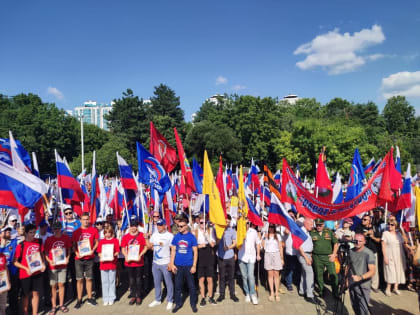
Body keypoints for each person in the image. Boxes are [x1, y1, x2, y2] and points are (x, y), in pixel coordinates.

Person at [13, 224, 46, 315]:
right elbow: (15, 262)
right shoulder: (21, 245)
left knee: (36, 294)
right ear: (26, 233)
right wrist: (26, 268)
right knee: (25, 295)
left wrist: (43, 263)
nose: (33, 234)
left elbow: (42, 255)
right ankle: (25, 313)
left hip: (37, 272)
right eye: (31, 232)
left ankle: (35, 313)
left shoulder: (39, 241)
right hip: (25, 274)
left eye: (34, 232)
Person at [170, 213, 198, 313]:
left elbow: (195, 252)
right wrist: (171, 264)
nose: (179, 228)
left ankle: (193, 304)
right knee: (177, 286)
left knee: (191, 286)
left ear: (186, 226)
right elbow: (173, 251)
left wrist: (194, 265)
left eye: (181, 226)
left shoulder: (192, 237)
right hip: (178, 266)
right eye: (178, 226)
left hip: (189, 265)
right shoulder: (176, 237)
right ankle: (178, 303)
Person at [44, 222, 72, 314]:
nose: (56, 230)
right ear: (52, 229)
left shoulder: (66, 238)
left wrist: (67, 258)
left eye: (58, 228)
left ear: (61, 228)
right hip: (53, 266)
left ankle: (61, 304)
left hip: (63, 265)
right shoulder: (49, 239)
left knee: (61, 285)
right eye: (55, 228)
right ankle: (53, 306)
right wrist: (49, 260)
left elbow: (69, 250)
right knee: (53, 286)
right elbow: (46, 253)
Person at [72, 212, 99, 308]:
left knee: (89, 278)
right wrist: (76, 253)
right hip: (79, 259)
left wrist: (93, 250)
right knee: (79, 279)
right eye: (84, 219)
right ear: (80, 220)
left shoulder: (93, 230)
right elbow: (73, 246)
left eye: (87, 219)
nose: (86, 221)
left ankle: (90, 297)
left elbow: (97, 242)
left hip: (89, 258)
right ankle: (79, 299)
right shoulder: (76, 232)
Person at [147, 219, 174, 310]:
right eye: (157, 225)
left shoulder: (170, 236)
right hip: (155, 263)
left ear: (165, 226)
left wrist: (171, 262)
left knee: (168, 283)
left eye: (160, 225)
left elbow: (173, 250)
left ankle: (170, 300)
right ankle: (157, 299)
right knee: (157, 282)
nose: (158, 226)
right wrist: (146, 238)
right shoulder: (154, 235)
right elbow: (150, 247)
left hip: (165, 263)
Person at [121, 216, 147, 306]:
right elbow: (123, 248)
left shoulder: (141, 235)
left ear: (137, 226)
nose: (133, 228)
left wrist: (140, 255)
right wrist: (126, 256)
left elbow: (145, 247)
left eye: (135, 226)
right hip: (129, 262)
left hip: (139, 261)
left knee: (139, 279)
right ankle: (133, 295)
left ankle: (139, 295)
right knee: (131, 280)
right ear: (129, 227)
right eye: (131, 226)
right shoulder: (125, 237)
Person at [310, 218, 339, 298]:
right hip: (317, 257)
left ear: (323, 224)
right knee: (319, 275)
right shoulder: (312, 233)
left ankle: (335, 292)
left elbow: (336, 243)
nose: (318, 227)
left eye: (320, 225)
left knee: (333, 274)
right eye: (317, 225)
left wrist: (334, 254)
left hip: (328, 256)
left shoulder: (329, 232)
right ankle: (321, 290)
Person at [348, 233, 376, 315]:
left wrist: (360, 277)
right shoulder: (350, 251)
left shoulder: (368, 253)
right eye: (356, 240)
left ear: (364, 242)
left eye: (360, 241)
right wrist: (346, 280)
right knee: (355, 307)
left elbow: (372, 271)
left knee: (363, 309)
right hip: (352, 284)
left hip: (363, 285)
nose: (358, 242)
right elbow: (348, 266)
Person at [355, 213, 382, 292]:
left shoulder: (375, 228)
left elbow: (379, 240)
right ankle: (361, 284)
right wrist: (366, 233)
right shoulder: (359, 227)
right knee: (362, 268)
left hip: (373, 251)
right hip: (363, 251)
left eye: (365, 220)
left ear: (369, 221)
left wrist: (372, 236)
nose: (362, 221)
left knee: (374, 269)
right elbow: (357, 237)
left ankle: (374, 286)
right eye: (362, 219)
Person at [195, 214, 217, 307]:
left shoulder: (210, 230)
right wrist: (200, 246)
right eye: (201, 222)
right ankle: (203, 297)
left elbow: (213, 244)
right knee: (201, 278)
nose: (203, 224)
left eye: (205, 222)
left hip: (209, 254)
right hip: (200, 255)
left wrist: (207, 235)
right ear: (198, 222)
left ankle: (210, 297)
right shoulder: (195, 232)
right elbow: (193, 246)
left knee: (209, 278)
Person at [381, 218, 407, 296]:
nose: (390, 226)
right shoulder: (385, 233)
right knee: (390, 271)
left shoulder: (399, 234)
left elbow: (404, 243)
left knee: (399, 270)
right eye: (388, 224)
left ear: (395, 226)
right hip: (390, 253)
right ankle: (388, 288)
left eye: (392, 224)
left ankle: (396, 288)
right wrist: (385, 256)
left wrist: (408, 251)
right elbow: (383, 245)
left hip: (399, 254)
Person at [216, 214, 239, 303]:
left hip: (230, 256)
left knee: (231, 276)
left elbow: (235, 243)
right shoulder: (219, 230)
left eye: (229, 222)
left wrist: (229, 247)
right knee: (222, 277)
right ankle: (222, 295)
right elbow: (216, 243)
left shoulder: (232, 231)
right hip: (221, 257)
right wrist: (220, 234)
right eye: (226, 222)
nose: (227, 223)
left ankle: (232, 294)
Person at [97, 225, 119, 306]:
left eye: (109, 232)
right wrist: (102, 256)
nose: (107, 234)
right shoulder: (101, 241)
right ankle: (105, 298)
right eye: (106, 233)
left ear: (111, 233)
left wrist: (112, 255)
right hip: (103, 264)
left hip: (112, 263)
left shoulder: (115, 241)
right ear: (104, 233)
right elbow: (99, 252)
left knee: (112, 281)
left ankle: (112, 297)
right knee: (104, 282)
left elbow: (117, 251)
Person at [0, 226, 19, 315]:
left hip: (11, 271)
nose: (8, 232)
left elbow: (22, 236)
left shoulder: (14, 242)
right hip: (2, 274)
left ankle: (13, 309)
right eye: (5, 230)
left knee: (12, 293)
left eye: (9, 231)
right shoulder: (1, 244)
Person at [261, 224, 283, 302]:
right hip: (268, 254)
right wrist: (264, 238)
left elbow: (280, 247)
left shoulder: (278, 236)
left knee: (276, 274)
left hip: (276, 254)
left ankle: (277, 292)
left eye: (272, 227)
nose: (271, 228)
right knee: (270, 274)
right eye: (270, 227)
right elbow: (262, 246)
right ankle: (272, 293)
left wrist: (282, 258)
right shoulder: (265, 235)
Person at [298, 218, 315, 304]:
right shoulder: (301, 231)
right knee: (310, 273)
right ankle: (309, 295)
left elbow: (309, 244)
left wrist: (310, 256)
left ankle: (302, 290)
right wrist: (306, 257)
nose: (312, 226)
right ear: (306, 224)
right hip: (303, 255)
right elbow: (299, 246)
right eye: (311, 224)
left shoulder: (308, 232)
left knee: (304, 273)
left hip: (308, 254)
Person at [0, 242, 9, 315]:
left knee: (3, 305)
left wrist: (8, 282)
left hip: (3, 282)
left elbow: (6, 269)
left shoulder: (3, 256)